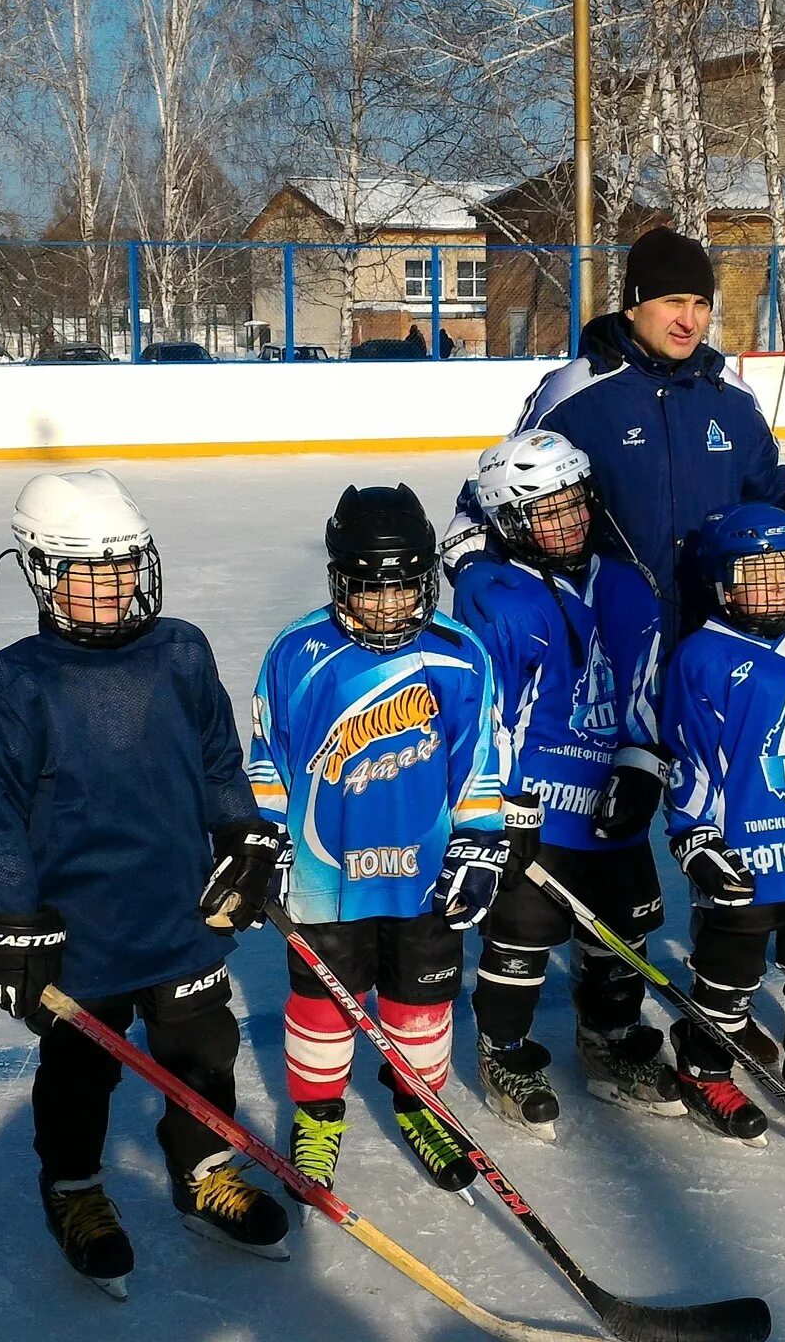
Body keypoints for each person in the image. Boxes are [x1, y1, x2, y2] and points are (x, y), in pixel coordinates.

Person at [0, 469, 290, 1299]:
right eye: (85, 574)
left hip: (181, 909)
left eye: (121, 570)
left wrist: (241, 835)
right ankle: (72, 1190)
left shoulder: (180, 650)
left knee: (204, 1050)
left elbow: (215, 758)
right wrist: (7, 914)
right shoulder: (11, 682)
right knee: (77, 1072)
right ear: (39, 572)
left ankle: (204, 1168)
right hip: (78, 929)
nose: (109, 592)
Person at [250, 484, 506, 1193]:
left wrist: (480, 840)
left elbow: (481, 758)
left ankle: (419, 1106)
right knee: (321, 1010)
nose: (389, 606)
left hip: (424, 876)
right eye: (369, 590)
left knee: (421, 1009)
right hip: (325, 879)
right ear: (339, 580)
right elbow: (268, 754)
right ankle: (319, 1118)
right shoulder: (298, 652)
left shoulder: (460, 654)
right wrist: (267, 836)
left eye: (404, 589)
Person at [449, 431, 680, 1135]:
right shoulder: (496, 595)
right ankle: (505, 1049)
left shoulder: (622, 582)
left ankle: (609, 1038)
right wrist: (505, 801)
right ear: (510, 522)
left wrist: (643, 764)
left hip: (609, 789)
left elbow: (647, 684)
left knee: (622, 929)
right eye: (548, 511)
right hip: (540, 802)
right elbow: (490, 714)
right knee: (522, 935)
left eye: (576, 504)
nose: (570, 521)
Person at [657, 503, 785, 1141]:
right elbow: (688, 758)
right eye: (755, 572)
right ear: (721, 582)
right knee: (730, 968)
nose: (775, 585)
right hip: (747, 851)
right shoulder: (703, 657)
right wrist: (695, 837)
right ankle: (704, 1068)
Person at [507, 227, 785, 634]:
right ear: (632, 306)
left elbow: (768, 496)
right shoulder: (575, 392)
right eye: (672, 302)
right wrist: (475, 563)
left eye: (700, 304)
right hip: (608, 639)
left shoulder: (732, 396)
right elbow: (505, 494)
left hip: (714, 637)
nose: (688, 321)